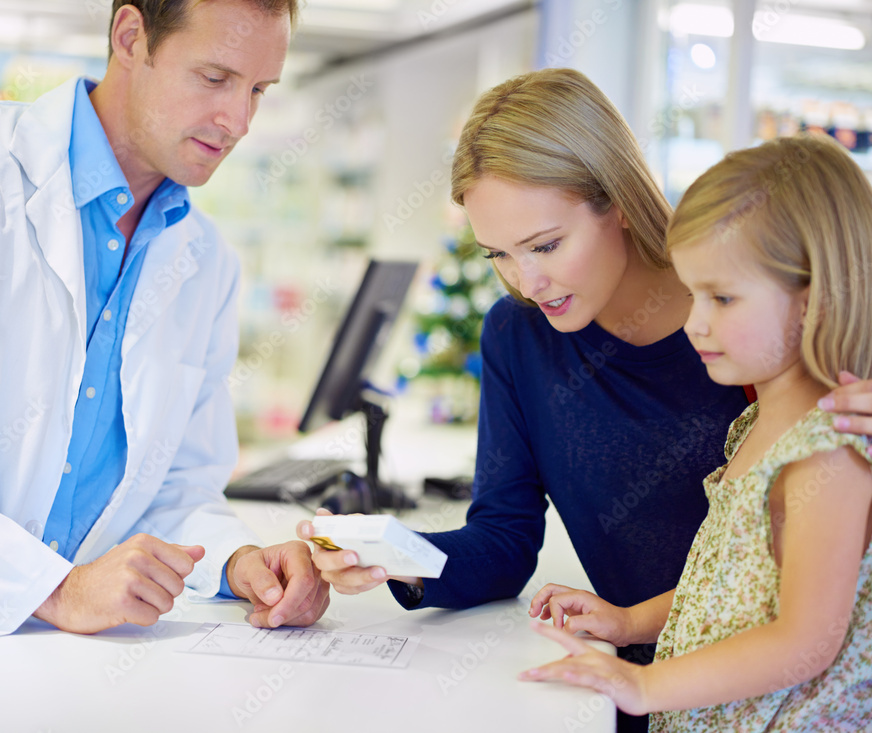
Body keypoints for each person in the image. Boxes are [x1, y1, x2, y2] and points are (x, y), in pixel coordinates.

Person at [296, 69, 872, 732]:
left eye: (546, 245)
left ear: (616, 198)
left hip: (751, 698)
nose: (527, 280)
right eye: (499, 255)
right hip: (626, 685)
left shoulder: (760, 332)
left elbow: (817, 605)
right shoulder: (518, 335)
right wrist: (400, 556)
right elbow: (505, 535)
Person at [0, 0, 328, 674]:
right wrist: (53, 587)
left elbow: (175, 490)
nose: (239, 121)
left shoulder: (206, 261)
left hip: (61, 669)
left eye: (259, 90)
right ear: (130, 37)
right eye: (214, 78)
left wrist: (239, 562)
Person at [522, 133, 872, 730]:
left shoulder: (826, 454)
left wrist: (643, 682)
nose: (695, 323)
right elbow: (729, 594)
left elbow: (806, 641)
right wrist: (629, 622)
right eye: (693, 294)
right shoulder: (756, 423)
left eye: (723, 298)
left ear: (815, 300)